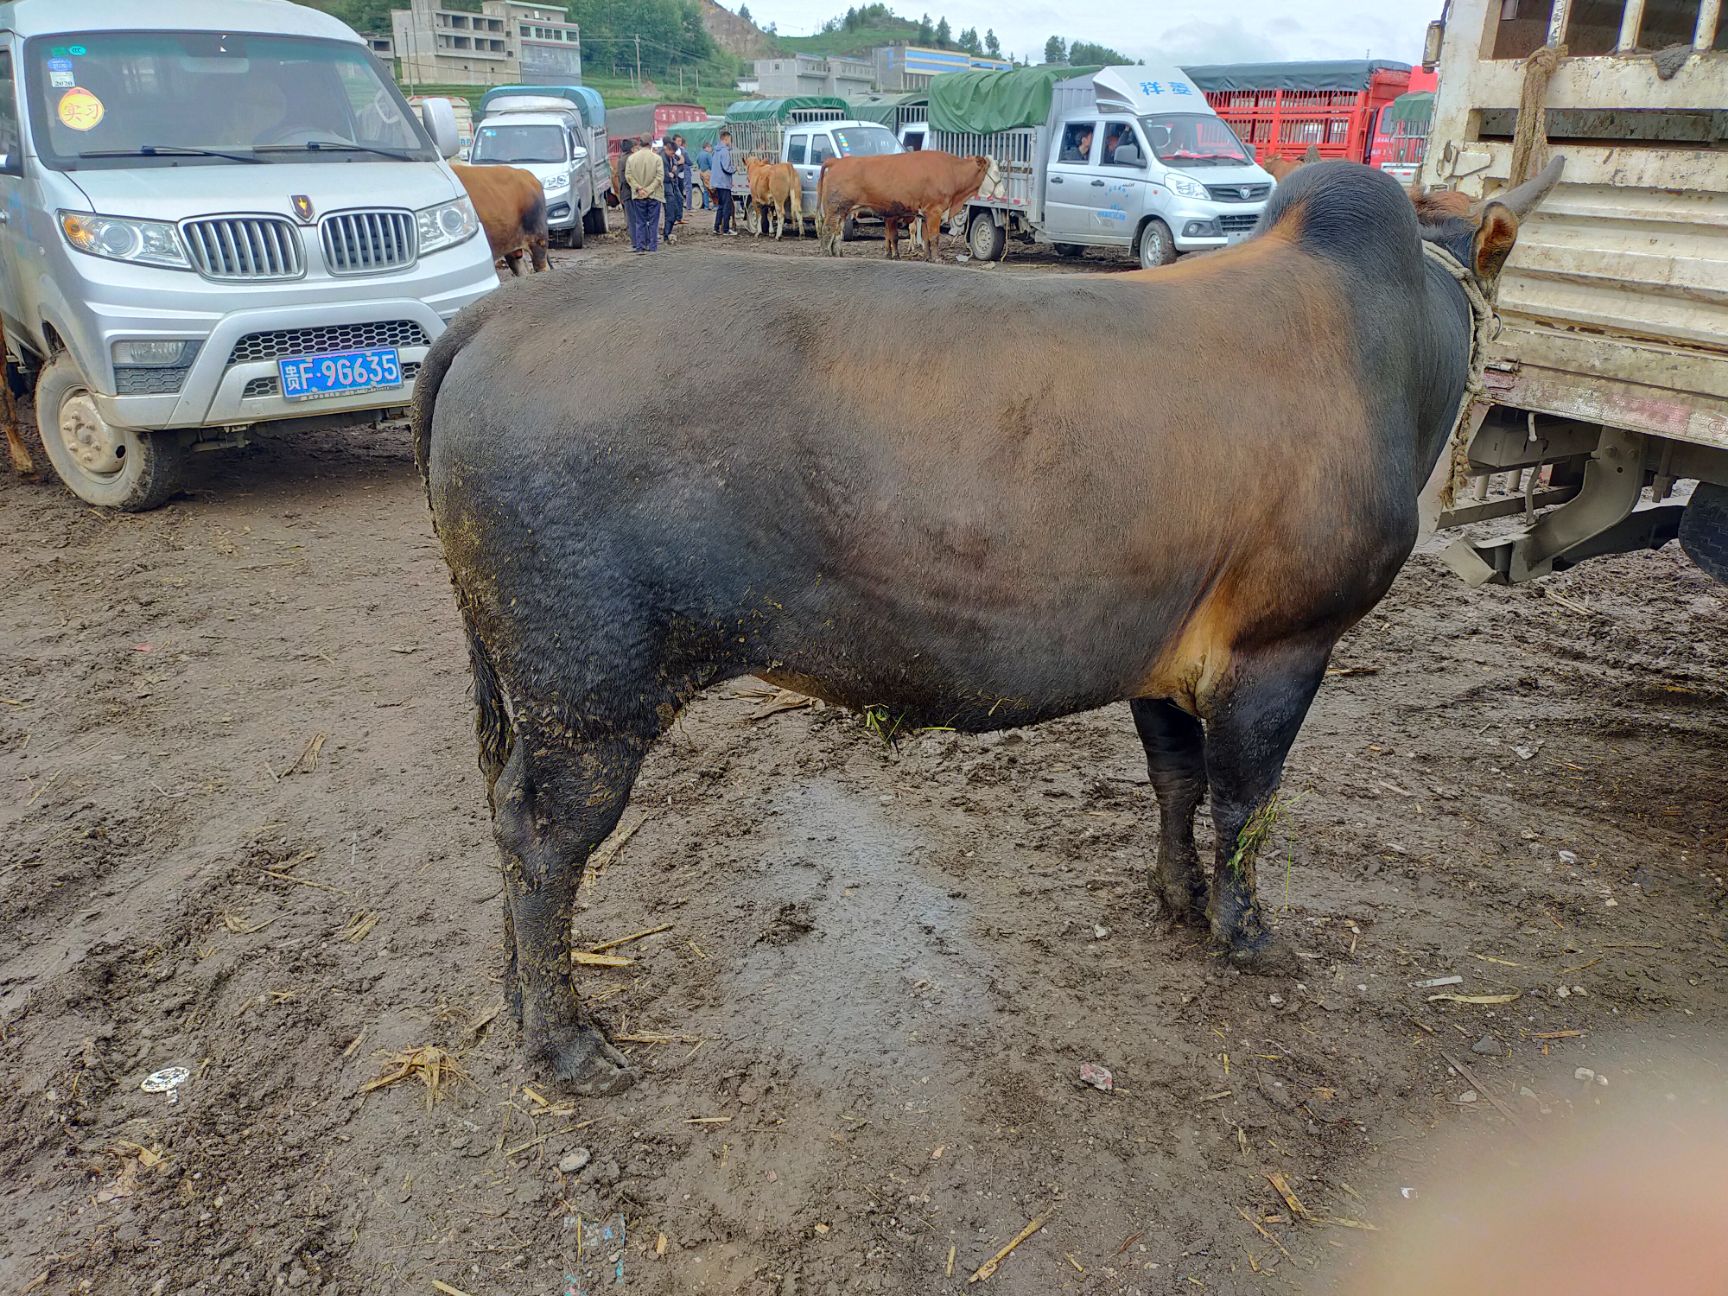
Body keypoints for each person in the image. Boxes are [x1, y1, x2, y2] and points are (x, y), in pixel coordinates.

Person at [624, 134, 664, 253]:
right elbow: (659, 177)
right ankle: (652, 246)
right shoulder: (657, 158)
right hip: (654, 195)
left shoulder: (631, 158)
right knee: (653, 222)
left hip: (638, 195)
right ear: (651, 144)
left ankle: (640, 247)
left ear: (640, 143)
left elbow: (628, 176)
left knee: (640, 222)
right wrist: (649, 190)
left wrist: (639, 188)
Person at [711, 129, 737, 235]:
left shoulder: (716, 151)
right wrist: (734, 168)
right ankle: (726, 229)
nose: (730, 142)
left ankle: (716, 228)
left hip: (717, 183)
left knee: (720, 206)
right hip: (724, 183)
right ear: (725, 139)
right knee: (727, 206)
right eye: (729, 139)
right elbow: (726, 167)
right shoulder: (725, 151)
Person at [617, 138, 639, 249]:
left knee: (631, 220)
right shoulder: (636, 158)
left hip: (628, 194)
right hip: (640, 192)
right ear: (632, 148)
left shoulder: (622, 160)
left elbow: (622, 179)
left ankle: (635, 243)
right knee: (641, 218)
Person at [661, 135, 683, 242]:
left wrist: (673, 172)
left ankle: (668, 231)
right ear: (667, 149)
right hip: (665, 187)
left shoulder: (672, 158)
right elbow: (664, 175)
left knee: (675, 208)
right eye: (672, 153)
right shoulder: (662, 158)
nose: (673, 155)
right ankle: (666, 234)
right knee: (670, 211)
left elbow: (676, 168)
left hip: (672, 186)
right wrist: (670, 175)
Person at [675, 134, 693, 219]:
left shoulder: (679, 150)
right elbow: (689, 162)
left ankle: (680, 214)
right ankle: (688, 207)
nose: (679, 143)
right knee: (687, 189)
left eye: (680, 141)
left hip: (680, 173)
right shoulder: (683, 151)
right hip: (681, 173)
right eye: (678, 141)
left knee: (681, 192)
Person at [695, 141, 713, 210]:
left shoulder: (699, 154)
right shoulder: (708, 155)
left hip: (702, 173)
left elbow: (697, 163)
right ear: (707, 147)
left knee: (705, 190)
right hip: (708, 173)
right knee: (712, 190)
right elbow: (712, 165)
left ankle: (706, 206)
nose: (711, 149)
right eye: (710, 147)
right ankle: (715, 206)